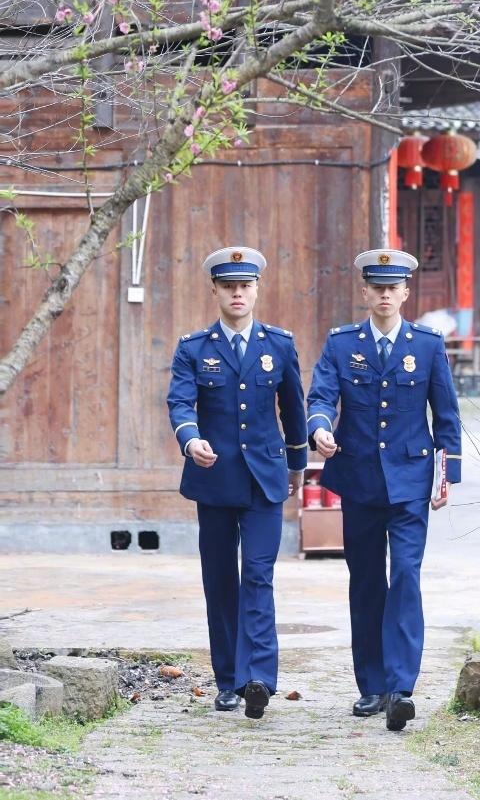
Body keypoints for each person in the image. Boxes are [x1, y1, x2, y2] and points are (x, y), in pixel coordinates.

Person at [307, 248, 462, 731]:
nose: (386, 295)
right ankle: (371, 686)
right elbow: (321, 396)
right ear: (365, 292)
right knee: (368, 581)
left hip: (412, 482)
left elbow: (447, 415)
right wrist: (319, 428)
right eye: (377, 287)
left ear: (406, 293)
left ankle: (401, 686)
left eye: (394, 287)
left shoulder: (429, 345)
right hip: (358, 480)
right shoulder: (340, 344)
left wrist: (446, 475)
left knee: (407, 578)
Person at [166, 246, 308, 720]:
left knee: (259, 575)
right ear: (216, 291)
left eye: (245, 286)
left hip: (266, 480)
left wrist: (297, 465)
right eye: (229, 286)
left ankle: (259, 679)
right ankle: (228, 680)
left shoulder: (279, 345)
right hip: (214, 480)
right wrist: (190, 441)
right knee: (220, 579)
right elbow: (180, 404)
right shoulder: (194, 348)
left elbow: (294, 409)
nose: (238, 294)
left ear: (256, 290)